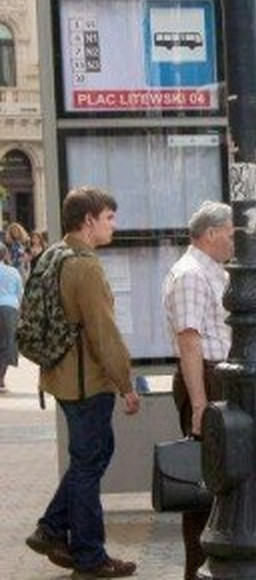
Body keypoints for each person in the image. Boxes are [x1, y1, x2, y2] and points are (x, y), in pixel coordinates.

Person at [25, 187, 140, 578]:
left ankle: (52, 527)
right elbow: (103, 333)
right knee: (89, 466)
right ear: (88, 220)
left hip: (61, 378)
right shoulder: (86, 266)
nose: (113, 225)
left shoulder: (55, 254)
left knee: (90, 456)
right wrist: (126, 383)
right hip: (87, 382)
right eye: (109, 217)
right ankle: (90, 555)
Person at [162, 202, 234, 580]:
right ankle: (198, 569)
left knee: (218, 476)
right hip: (206, 378)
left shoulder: (210, 272)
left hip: (214, 375)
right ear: (211, 233)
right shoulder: (191, 274)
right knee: (204, 481)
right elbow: (190, 341)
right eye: (230, 233)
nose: (234, 240)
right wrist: (200, 405)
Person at [0, 245, 20, 392]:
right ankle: (1, 378)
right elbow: (19, 292)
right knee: (7, 344)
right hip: (10, 308)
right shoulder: (13, 272)